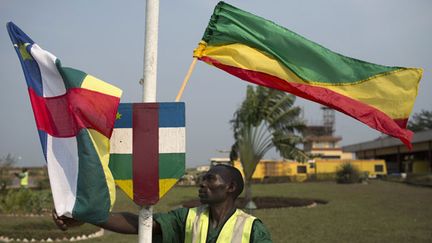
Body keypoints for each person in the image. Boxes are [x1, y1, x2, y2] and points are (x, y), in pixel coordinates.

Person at [53, 164, 272, 243]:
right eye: (202, 178)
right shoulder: (187, 217)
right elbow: (141, 224)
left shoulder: (252, 229)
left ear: (231, 187)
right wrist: (87, 215)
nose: (202, 183)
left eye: (210, 179)